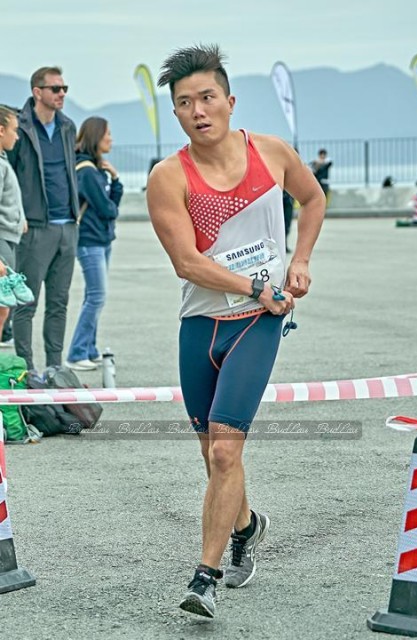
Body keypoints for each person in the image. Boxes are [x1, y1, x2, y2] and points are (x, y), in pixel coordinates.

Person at [147, 44, 326, 619]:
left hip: (259, 322)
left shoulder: (270, 153)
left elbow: (313, 198)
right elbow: (187, 263)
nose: (197, 110)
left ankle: (205, 578)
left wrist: (300, 260)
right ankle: (247, 525)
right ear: (176, 112)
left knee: (226, 449)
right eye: (184, 103)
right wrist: (255, 284)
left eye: (206, 97)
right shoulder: (167, 177)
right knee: (214, 455)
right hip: (200, 324)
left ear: (229, 100)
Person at [7, 66, 79, 371]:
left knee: (59, 304)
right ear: (38, 92)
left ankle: (54, 369)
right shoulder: (21, 128)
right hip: (34, 228)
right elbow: (8, 177)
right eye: (55, 89)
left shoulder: (67, 127)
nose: (62, 94)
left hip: (67, 228)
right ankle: (26, 371)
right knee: (26, 303)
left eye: (64, 88)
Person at [66, 117, 123, 371]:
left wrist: (115, 179)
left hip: (100, 239)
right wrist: (115, 184)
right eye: (107, 134)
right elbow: (108, 209)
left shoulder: (95, 169)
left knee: (93, 295)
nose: (111, 139)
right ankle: (77, 353)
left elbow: (109, 207)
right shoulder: (88, 171)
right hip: (90, 241)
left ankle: (89, 349)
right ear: (96, 136)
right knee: (97, 296)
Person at [0, 106, 33, 342]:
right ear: (1, 131)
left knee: (4, 307)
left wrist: (19, 219)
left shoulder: (3, 161)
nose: (17, 136)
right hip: (1, 240)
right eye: (14, 130)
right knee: (2, 307)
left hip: (9, 236)